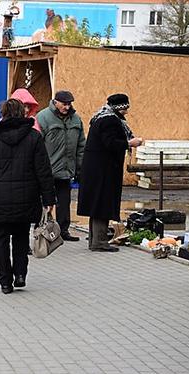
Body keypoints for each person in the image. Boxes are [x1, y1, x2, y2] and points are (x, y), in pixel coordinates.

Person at [0, 99, 56, 294]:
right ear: (22, 113)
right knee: (21, 238)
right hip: (27, 198)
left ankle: (5, 281)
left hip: (0, 199)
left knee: (0, 239)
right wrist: (49, 199)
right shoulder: (34, 137)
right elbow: (43, 171)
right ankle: (20, 274)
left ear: (4, 114)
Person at [76, 94, 143, 252]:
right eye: (126, 107)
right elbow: (110, 143)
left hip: (96, 169)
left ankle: (95, 240)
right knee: (102, 203)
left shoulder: (101, 117)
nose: (127, 110)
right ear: (120, 107)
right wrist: (129, 143)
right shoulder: (110, 120)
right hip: (103, 170)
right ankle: (99, 242)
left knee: (96, 204)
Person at [36, 90, 86, 242]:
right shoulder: (43, 117)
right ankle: (41, 230)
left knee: (64, 202)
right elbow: (37, 145)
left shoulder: (76, 120)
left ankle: (63, 230)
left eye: (69, 104)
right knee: (45, 202)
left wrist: (79, 169)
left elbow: (81, 146)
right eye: (64, 104)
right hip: (48, 170)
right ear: (55, 102)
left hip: (66, 171)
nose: (67, 107)